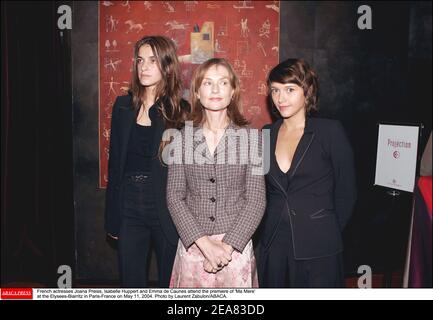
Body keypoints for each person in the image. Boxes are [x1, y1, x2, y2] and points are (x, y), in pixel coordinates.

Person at [166, 58, 266, 287]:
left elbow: (256, 200)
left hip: (235, 247)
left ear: (233, 92)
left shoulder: (253, 140)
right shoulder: (180, 139)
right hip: (194, 245)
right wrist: (205, 245)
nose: (215, 89)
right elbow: (174, 196)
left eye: (223, 83)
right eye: (208, 83)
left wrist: (225, 248)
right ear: (197, 93)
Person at [258, 58, 357, 287]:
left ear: (307, 91)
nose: (280, 98)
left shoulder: (330, 132)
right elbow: (259, 191)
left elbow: (347, 193)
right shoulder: (264, 134)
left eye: (290, 90)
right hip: (273, 244)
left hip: (319, 245)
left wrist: (325, 227)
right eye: (275, 90)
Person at [104, 35, 189, 287]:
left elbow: (185, 171)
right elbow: (115, 165)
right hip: (129, 205)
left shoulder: (179, 111)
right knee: (131, 283)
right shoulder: (122, 106)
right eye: (140, 60)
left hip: (166, 205)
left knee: (169, 285)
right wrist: (112, 215)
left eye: (152, 60)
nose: (144, 66)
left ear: (167, 65)